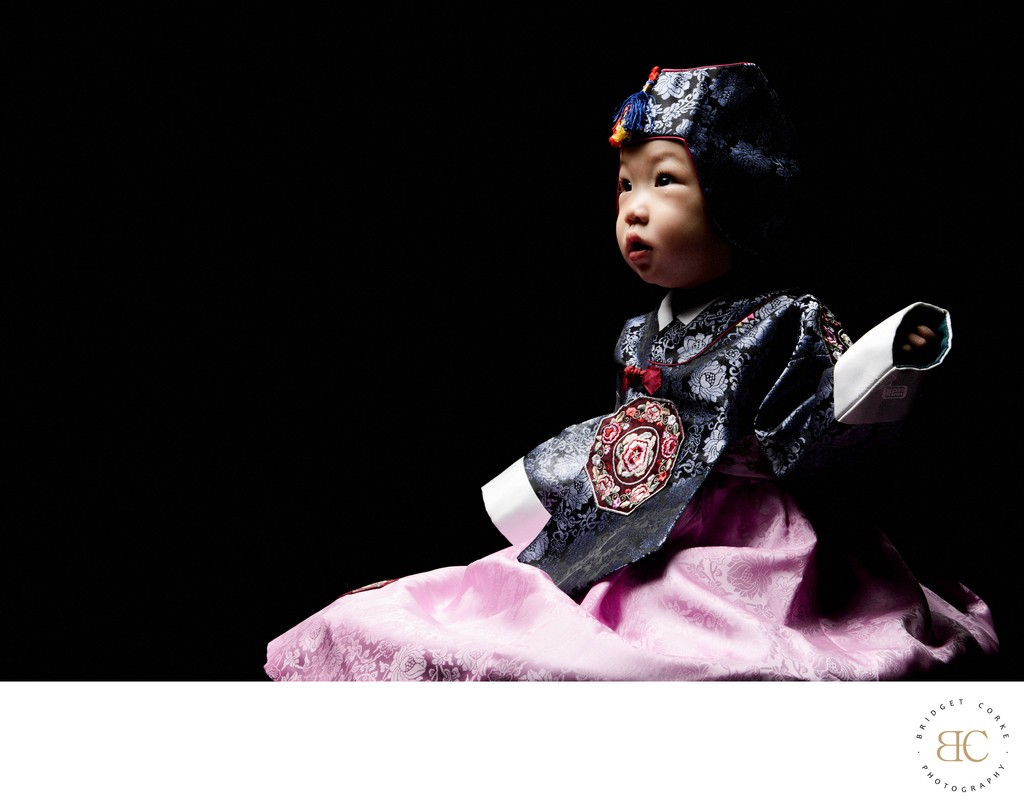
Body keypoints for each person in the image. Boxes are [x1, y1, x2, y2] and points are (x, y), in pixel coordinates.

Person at [264, 62, 998, 681]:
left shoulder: (786, 319)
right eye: (625, 185)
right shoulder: (636, 334)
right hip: (641, 521)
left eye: (665, 182)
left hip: (752, 544)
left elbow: (817, 442)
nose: (635, 211)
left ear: (735, 195)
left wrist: (884, 364)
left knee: (684, 657)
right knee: (508, 610)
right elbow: (624, 440)